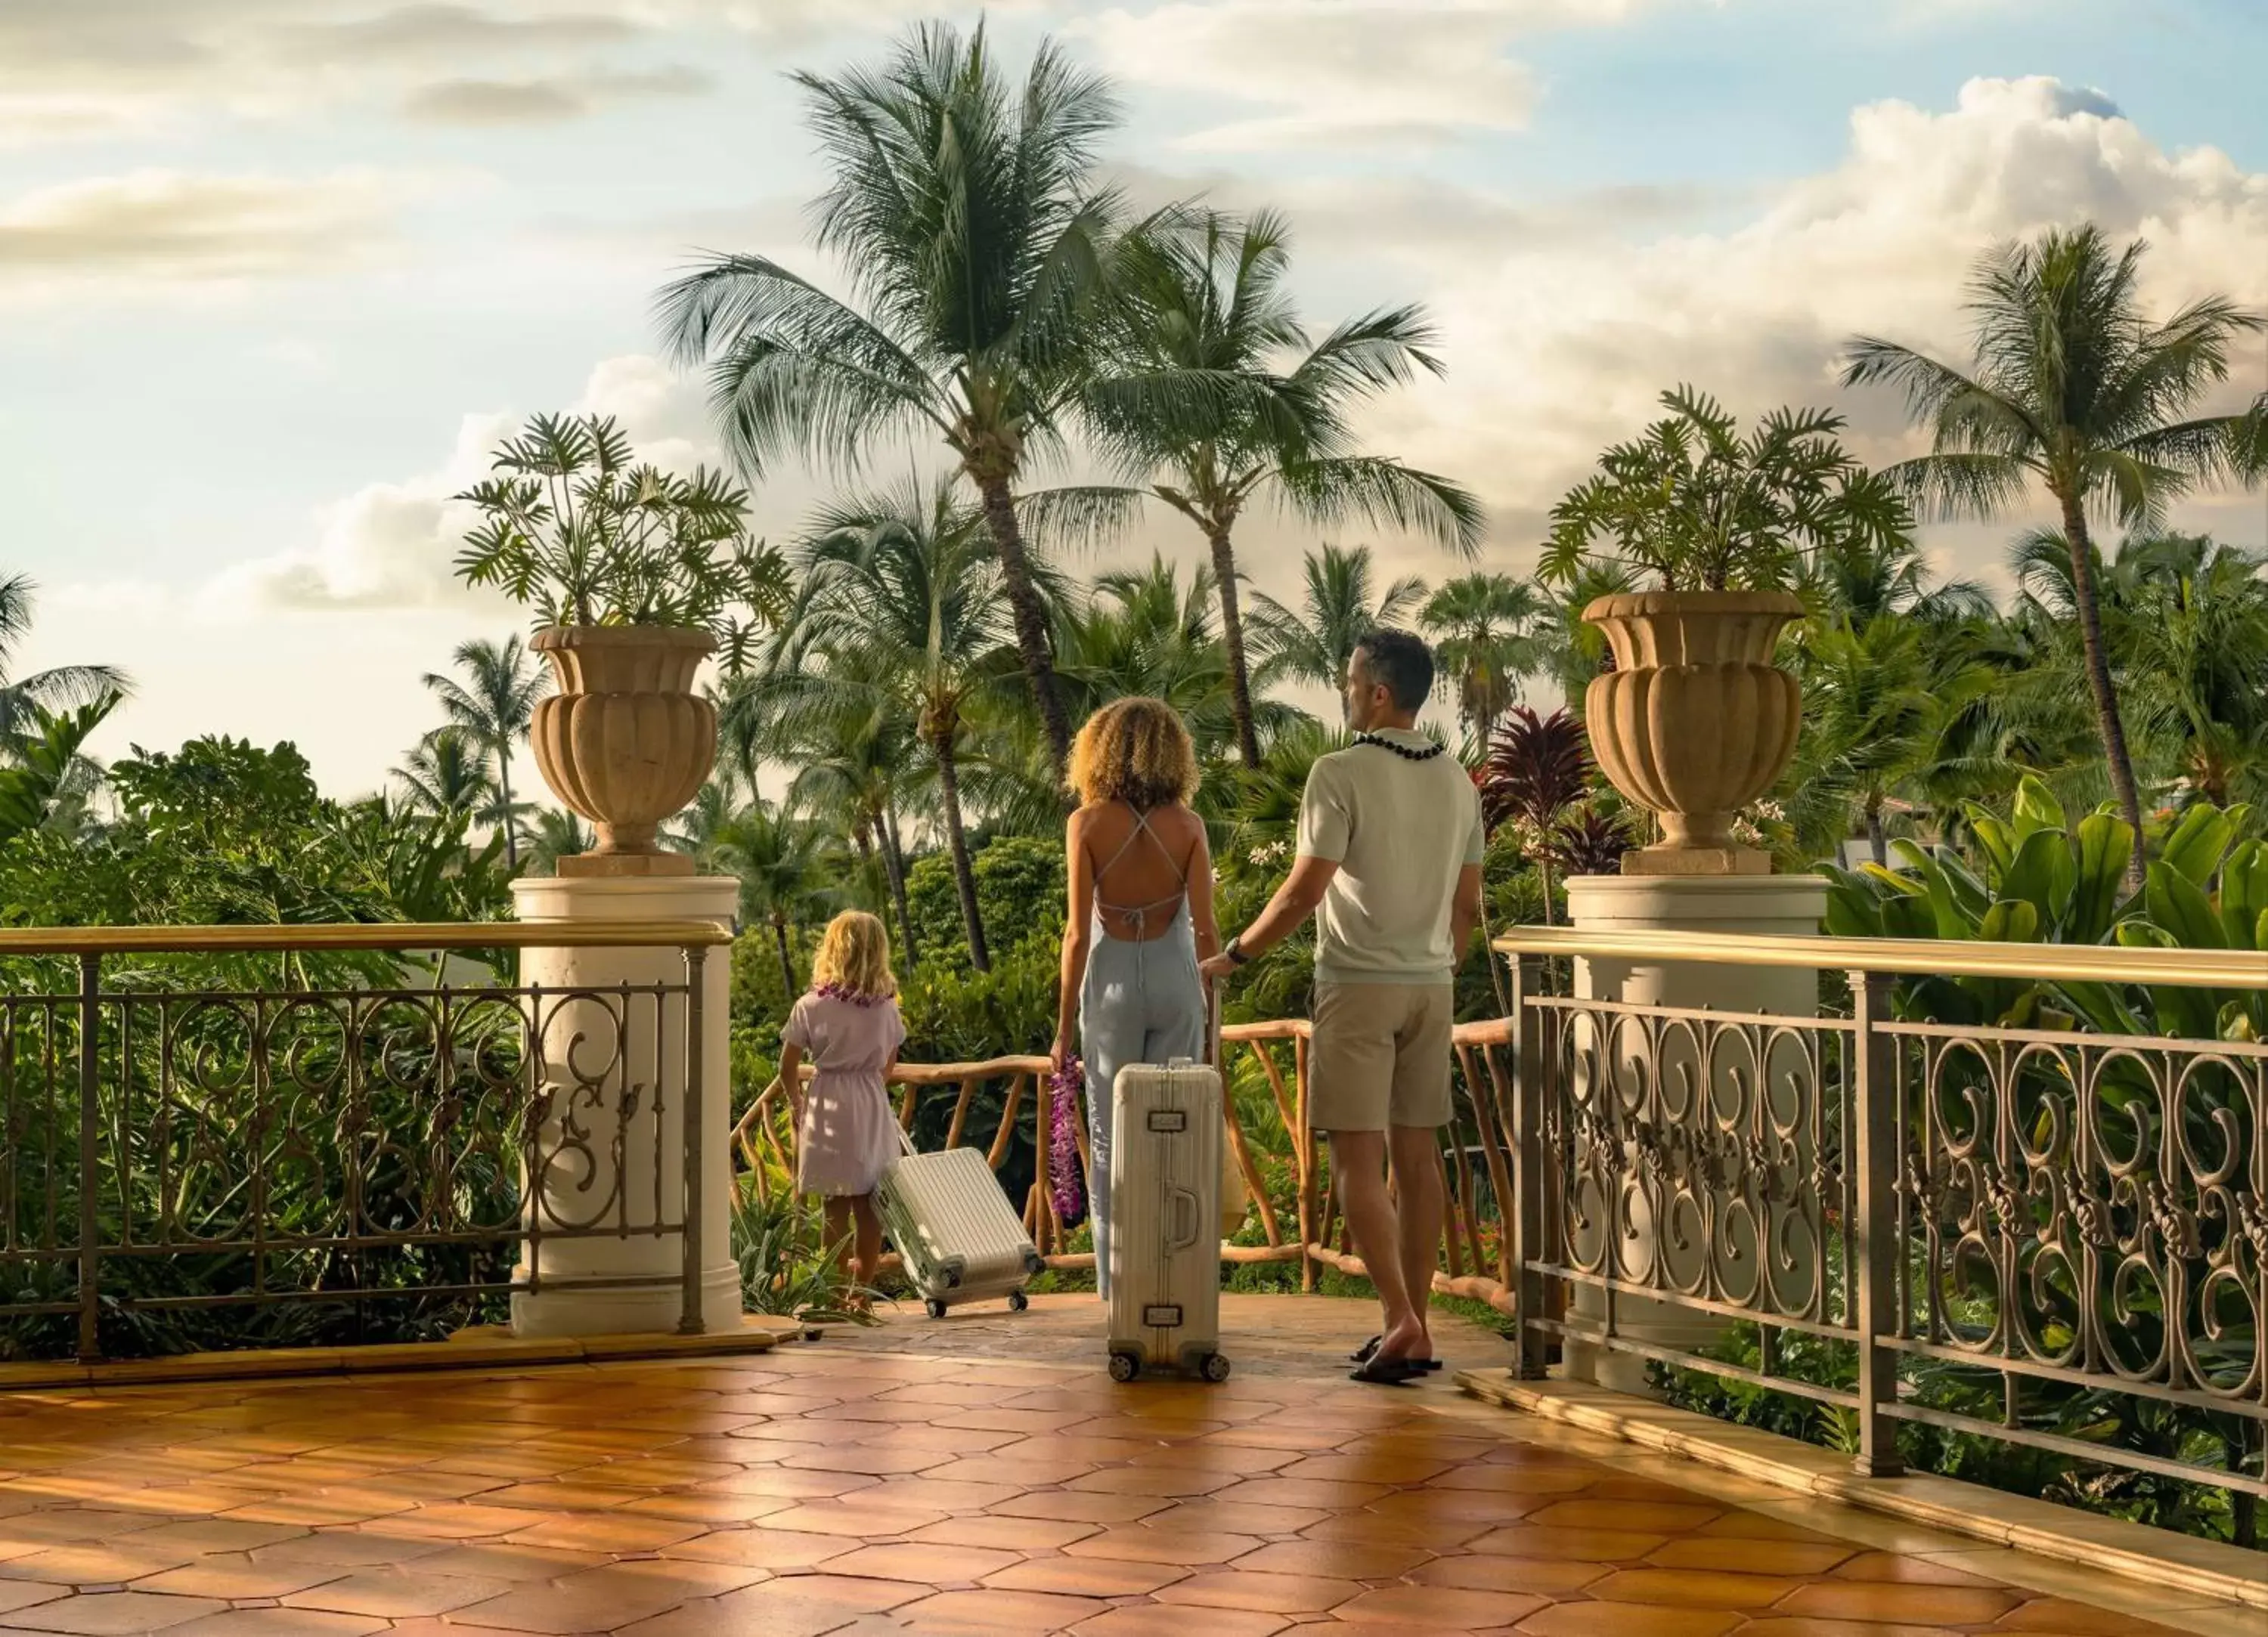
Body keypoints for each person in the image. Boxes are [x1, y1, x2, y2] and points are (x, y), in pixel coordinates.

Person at [1201, 628, 1483, 1385]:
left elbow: (1303, 890)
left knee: (1356, 1161)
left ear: (1378, 692)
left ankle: (1399, 1321)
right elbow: (1468, 905)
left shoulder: (1339, 772)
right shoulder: (1459, 781)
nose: (1346, 689)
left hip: (1358, 984)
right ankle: (1414, 1325)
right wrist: (1437, 965)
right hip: (1432, 986)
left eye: (1351, 680)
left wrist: (1234, 956)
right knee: (1418, 1162)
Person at [1053, 697, 1220, 1301]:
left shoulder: (1087, 824)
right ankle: (1173, 1277)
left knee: (1109, 1136)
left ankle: (1114, 1286)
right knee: (1172, 1127)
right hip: (1178, 981)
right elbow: (1206, 933)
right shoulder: (1189, 827)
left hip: (1113, 984)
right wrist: (1211, 1010)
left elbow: (1076, 934)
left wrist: (1061, 1031)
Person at [778, 910, 906, 1302]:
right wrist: (868, 1086)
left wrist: (798, 1104)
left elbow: (788, 1067)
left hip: (829, 1103)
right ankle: (863, 1291)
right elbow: (889, 1063)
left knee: (834, 1202)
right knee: (870, 1204)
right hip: (870, 1103)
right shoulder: (887, 1008)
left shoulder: (811, 1006)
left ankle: (833, 1294)